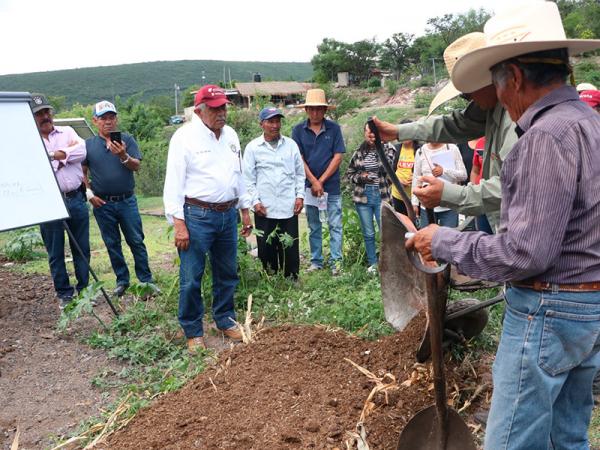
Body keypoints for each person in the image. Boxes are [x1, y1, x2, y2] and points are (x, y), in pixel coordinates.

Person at [408, 3, 600, 448]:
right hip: (588, 309)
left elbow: (525, 254)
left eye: (496, 84)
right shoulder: (589, 123)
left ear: (513, 78)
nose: (500, 102)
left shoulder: (544, 138)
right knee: (567, 438)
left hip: (548, 310)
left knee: (512, 441)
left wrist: (447, 240)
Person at [369, 32, 518, 233]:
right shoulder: (492, 110)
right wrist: (397, 131)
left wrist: (448, 194)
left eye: (467, 92)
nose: (470, 99)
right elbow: (453, 124)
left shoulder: (515, 119)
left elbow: (511, 189)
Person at [163, 85, 253, 353]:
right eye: (215, 108)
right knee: (192, 275)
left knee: (227, 271)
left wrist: (245, 209)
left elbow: (239, 174)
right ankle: (192, 330)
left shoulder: (231, 136)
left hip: (227, 214)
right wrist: (178, 223)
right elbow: (174, 182)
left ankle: (224, 319)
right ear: (200, 110)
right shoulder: (184, 138)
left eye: (224, 107)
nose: (221, 113)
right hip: (197, 216)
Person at [84, 101, 157, 297]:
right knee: (112, 243)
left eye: (111, 117)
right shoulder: (88, 145)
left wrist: (123, 154)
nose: (108, 122)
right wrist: (89, 194)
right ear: (95, 121)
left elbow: (136, 166)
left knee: (136, 240)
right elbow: (82, 172)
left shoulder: (127, 139)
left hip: (127, 201)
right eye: (103, 118)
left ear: (116, 119)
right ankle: (122, 280)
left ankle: (146, 281)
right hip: (103, 203)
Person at [29, 94, 90, 309]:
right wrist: (64, 156)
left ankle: (85, 290)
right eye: (39, 114)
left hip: (75, 199)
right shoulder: (29, 140)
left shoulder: (68, 132)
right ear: (32, 117)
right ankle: (64, 294)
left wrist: (55, 155)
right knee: (55, 252)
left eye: (47, 112)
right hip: (48, 204)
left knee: (82, 247)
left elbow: (83, 150)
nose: (46, 116)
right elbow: (35, 167)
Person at [242, 107, 305, 279]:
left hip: (288, 205)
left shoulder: (291, 145)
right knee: (266, 246)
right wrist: (255, 202)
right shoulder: (253, 148)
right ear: (261, 124)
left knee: (290, 245)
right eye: (270, 121)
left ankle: (292, 278)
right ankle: (270, 277)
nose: (275, 125)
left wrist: (300, 196)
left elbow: (300, 173)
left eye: (277, 121)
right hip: (264, 207)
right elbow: (248, 179)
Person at [292, 89, 346, 275]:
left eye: (319, 109)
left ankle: (336, 262)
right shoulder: (298, 130)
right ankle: (316, 261)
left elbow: (338, 157)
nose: (315, 113)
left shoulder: (334, 128)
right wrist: (314, 181)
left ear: (324, 110)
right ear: (306, 110)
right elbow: (299, 158)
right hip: (309, 188)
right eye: (312, 109)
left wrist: (321, 181)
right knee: (314, 225)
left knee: (335, 225)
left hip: (331, 187)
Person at [345, 126, 396, 273]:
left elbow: (387, 168)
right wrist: (361, 177)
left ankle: (388, 262)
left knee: (385, 232)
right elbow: (349, 174)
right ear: (364, 133)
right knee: (368, 233)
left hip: (382, 194)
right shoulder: (358, 152)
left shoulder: (388, 148)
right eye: (368, 131)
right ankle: (373, 264)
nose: (370, 134)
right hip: (363, 195)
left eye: (373, 131)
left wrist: (379, 145)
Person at [411, 141, 466, 227]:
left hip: (449, 206)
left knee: (449, 238)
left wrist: (444, 171)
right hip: (426, 207)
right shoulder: (420, 151)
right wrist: (414, 203)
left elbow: (463, 175)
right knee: (428, 239)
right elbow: (416, 178)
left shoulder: (452, 148)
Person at [390, 119, 418, 215]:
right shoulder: (394, 149)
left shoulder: (420, 149)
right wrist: (398, 181)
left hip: (415, 196)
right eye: (403, 133)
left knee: (417, 226)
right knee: (402, 225)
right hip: (398, 195)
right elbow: (387, 172)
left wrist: (415, 178)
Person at [469, 137, 493, 234]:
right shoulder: (480, 144)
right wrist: (473, 189)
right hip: (481, 199)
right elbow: (475, 170)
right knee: (483, 234)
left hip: (496, 197)